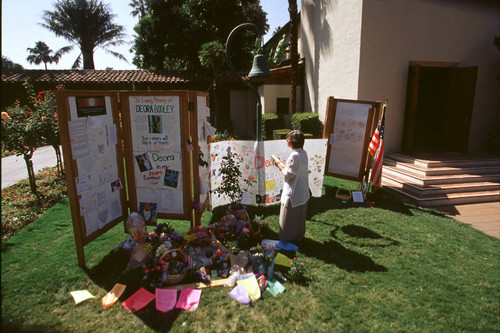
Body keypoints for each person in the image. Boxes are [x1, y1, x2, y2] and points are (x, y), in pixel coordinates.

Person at [276, 130, 310, 244]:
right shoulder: (302, 153)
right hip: (302, 191)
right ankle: (299, 236)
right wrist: (283, 164)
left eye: (288, 139)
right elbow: (295, 169)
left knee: (288, 217)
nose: (287, 140)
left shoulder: (294, 155)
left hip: (293, 191)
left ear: (292, 141)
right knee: (299, 216)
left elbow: (289, 174)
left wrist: (278, 166)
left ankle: (286, 239)